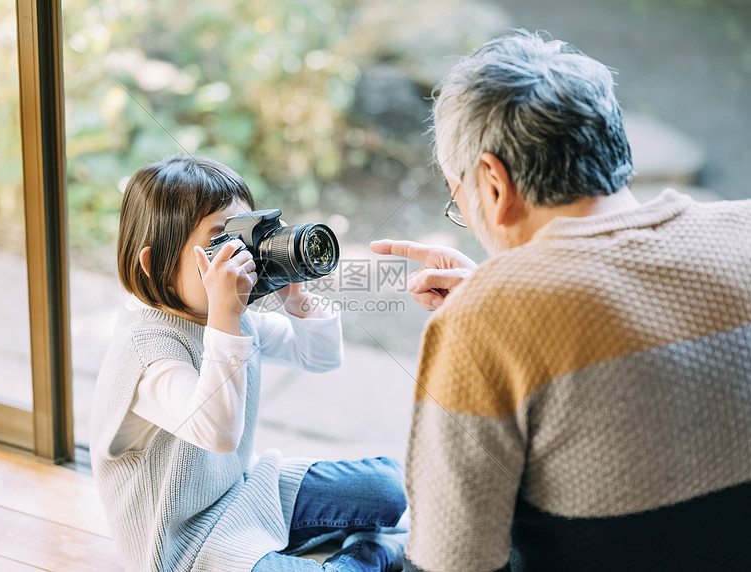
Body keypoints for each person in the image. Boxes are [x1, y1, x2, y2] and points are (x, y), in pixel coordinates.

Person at [371, 30, 751, 572]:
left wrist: (494, 313)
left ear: (493, 183)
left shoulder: (483, 321)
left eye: (459, 198)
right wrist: (515, 300)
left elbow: (450, 562)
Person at [90, 154, 408, 572]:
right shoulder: (150, 354)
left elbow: (320, 357)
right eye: (223, 244)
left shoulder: (228, 317)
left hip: (244, 490)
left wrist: (295, 295)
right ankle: (374, 551)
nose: (244, 259)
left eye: (246, 237)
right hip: (186, 543)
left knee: (387, 487)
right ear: (157, 267)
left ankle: (340, 544)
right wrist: (226, 314)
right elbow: (218, 432)